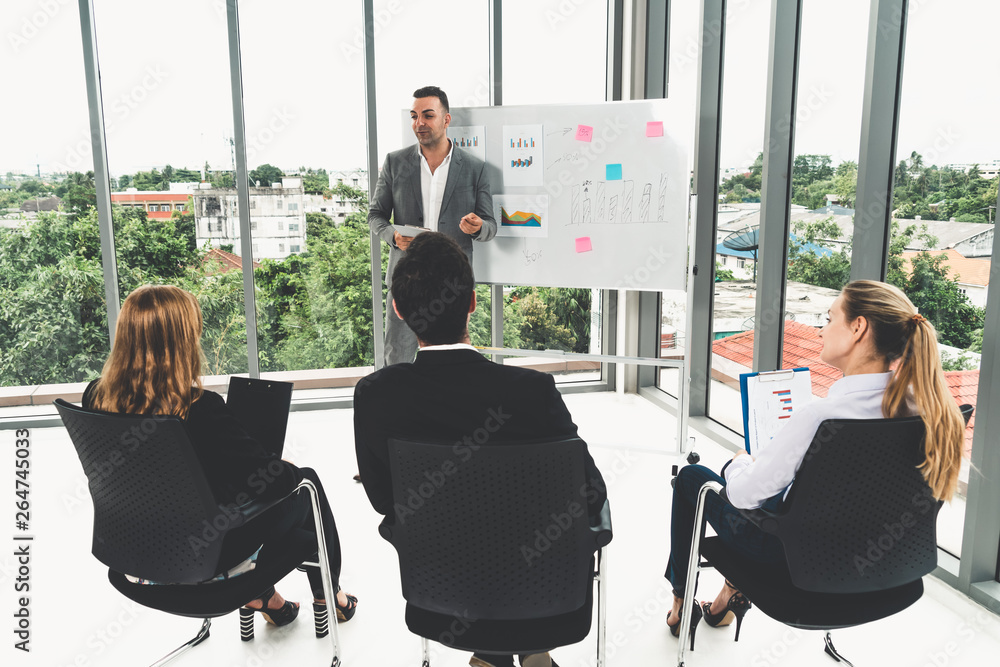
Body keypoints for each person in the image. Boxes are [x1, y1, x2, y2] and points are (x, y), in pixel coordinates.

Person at [663, 280, 965, 646]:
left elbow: (741, 496)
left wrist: (738, 464)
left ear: (859, 328)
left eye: (829, 317)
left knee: (695, 478)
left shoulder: (822, 417)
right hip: (880, 563)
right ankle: (728, 599)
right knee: (782, 492)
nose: (822, 329)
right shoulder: (933, 413)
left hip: (795, 564)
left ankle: (680, 604)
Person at [353, 232, 608, 667]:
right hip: (545, 592)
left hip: (442, 593)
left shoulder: (376, 395)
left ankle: (492, 654)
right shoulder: (531, 391)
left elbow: (384, 500)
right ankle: (529, 648)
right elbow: (590, 494)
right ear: (472, 302)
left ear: (398, 309)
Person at [82, 285, 358, 631]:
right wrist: (275, 464)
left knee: (222, 486)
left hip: (133, 559)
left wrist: (231, 455)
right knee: (306, 481)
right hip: (203, 562)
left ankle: (268, 600)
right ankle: (330, 596)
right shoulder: (198, 408)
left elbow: (162, 475)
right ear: (183, 340)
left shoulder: (95, 396)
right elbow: (274, 484)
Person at [369, 84, 497, 367]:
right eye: (414, 116)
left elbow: (490, 226)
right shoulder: (394, 162)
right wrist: (393, 236)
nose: (419, 123)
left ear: (446, 119)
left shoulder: (475, 169)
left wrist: (477, 227)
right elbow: (375, 215)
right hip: (406, 277)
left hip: (452, 281)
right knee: (397, 360)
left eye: (428, 115)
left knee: (452, 362)